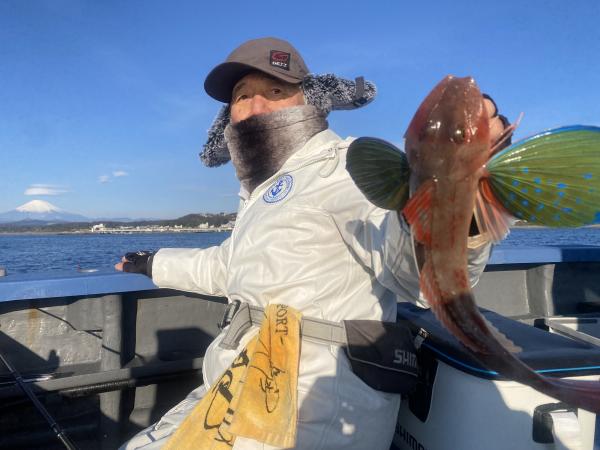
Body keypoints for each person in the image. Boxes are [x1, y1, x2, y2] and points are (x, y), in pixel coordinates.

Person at [116, 37, 508, 449]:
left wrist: (457, 207)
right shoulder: (261, 190)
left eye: (276, 91)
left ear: (310, 99)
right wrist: (153, 262)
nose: (256, 106)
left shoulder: (346, 166)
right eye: (242, 96)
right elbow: (227, 266)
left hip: (308, 407)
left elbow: (412, 270)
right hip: (237, 382)